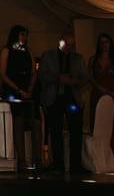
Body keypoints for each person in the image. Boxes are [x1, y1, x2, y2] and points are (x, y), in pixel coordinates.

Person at [38, 30, 91, 174]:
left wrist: (74, 81)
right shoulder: (48, 56)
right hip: (54, 98)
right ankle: (58, 164)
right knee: (55, 132)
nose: (68, 47)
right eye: (66, 43)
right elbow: (42, 75)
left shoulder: (78, 58)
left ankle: (76, 165)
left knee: (75, 131)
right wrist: (58, 78)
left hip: (72, 97)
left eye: (71, 44)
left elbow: (86, 78)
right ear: (60, 41)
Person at [88, 33, 114, 171]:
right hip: (98, 94)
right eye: (101, 42)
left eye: (106, 42)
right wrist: (101, 89)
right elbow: (91, 77)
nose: (104, 45)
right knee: (98, 125)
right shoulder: (93, 59)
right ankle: (99, 159)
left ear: (111, 44)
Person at [0, 25, 39, 171]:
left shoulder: (29, 51)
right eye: (22, 34)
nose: (25, 38)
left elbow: (34, 72)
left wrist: (29, 89)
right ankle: (21, 159)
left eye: (26, 35)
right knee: (18, 122)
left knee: (35, 122)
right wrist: (19, 90)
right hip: (13, 89)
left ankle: (37, 157)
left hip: (27, 89)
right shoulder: (6, 50)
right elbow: (2, 74)